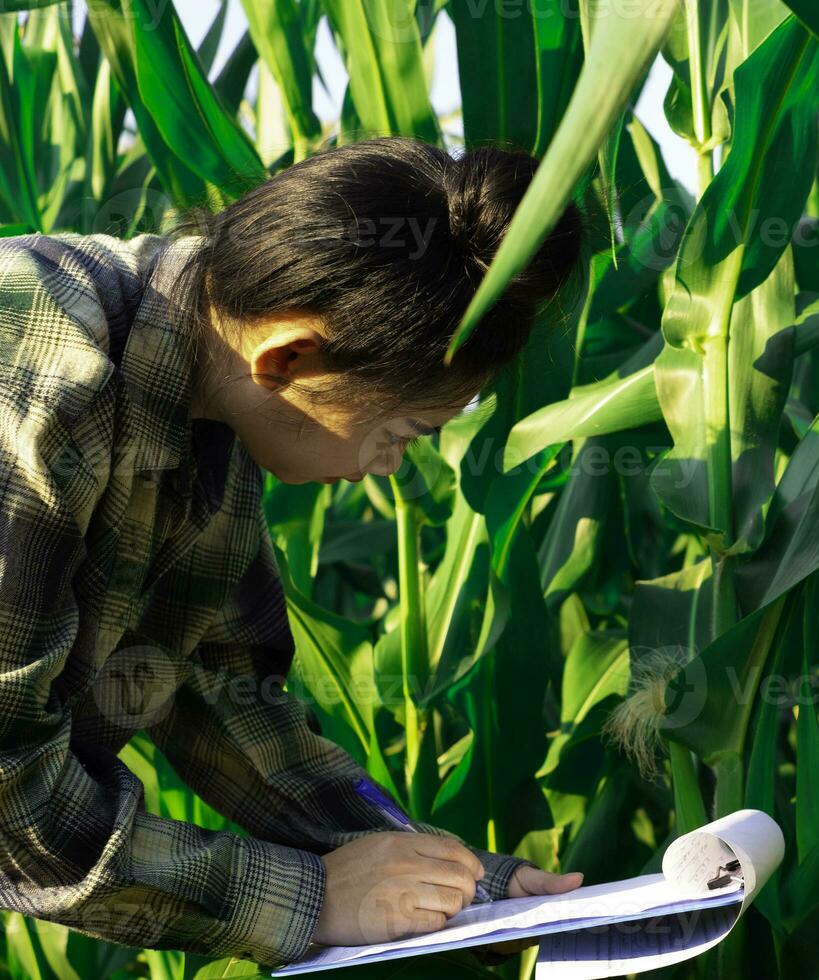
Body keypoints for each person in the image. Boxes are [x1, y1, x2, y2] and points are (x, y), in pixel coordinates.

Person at [0, 136, 585, 967]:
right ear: (292, 356)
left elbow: (228, 696)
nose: (393, 464)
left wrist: (463, 885)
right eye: (402, 432)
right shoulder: (42, 380)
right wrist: (309, 901)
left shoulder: (208, 411)